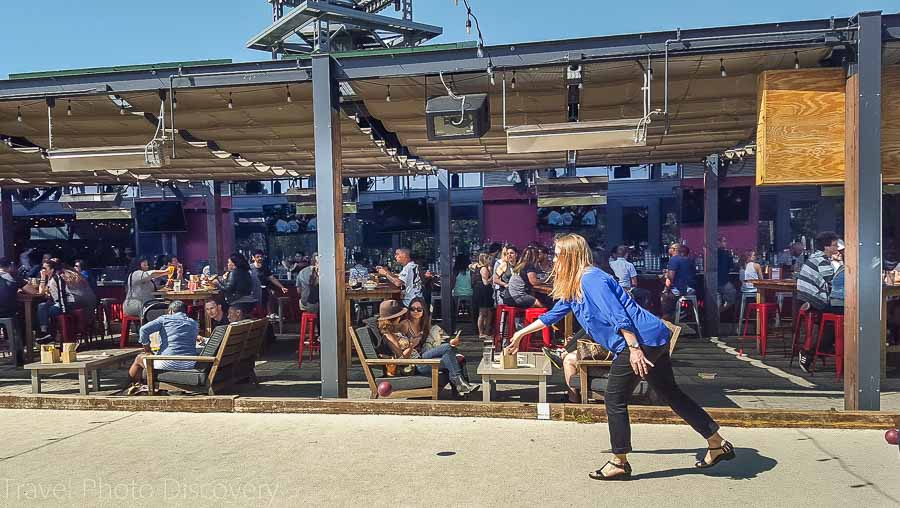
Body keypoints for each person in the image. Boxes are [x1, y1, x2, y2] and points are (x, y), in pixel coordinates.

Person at [507, 234, 733, 479]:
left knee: (614, 398)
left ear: (571, 256)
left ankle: (619, 461)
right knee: (671, 393)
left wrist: (634, 348)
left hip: (639, 339)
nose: (554, 259)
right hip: (652, 337)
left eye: (558, 254)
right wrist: (520, 334)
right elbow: (553, 315)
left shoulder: (591, 279)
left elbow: (616, 314)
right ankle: (716, 443)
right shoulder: (576, 284)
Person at [378, 300, 478, 395]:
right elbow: (402, 359)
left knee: (448, 349)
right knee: (450, 354)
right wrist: (412, 345)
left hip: (419, 357)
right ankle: (460, 384)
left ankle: (460, 385)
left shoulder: (396, 330)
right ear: (396, 317)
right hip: (415, 365)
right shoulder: (389, 336)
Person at [126, 300, 200, 394]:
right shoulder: (194, 323)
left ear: (171, 311)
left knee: (139, 358)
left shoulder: (165, 319)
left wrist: (148, 350)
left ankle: (132, 386)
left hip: (168, 362)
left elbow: (143, 330)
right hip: (189, 363)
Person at [796, 231, 841, 371]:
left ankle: (822, 349)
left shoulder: (816, 257)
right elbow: (834, 281)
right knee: (840, 316)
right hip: (813, 300)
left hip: (805, 298)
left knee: (834, 320)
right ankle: (811, 352)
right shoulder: (822, 260)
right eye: (834, 245)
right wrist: (840, 263)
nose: (837, 248)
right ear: (826, 247)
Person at [250, 250, 288, 317]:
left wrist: (282, 287)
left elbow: (272, 278)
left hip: (264, 291)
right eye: (257, 257)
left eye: (261, 257)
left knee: (267, 308)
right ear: (253, 258)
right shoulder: (250, 268)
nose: (260, 258)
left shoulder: (265, 268)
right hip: (254, 291)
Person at [472, 251, 495, 341]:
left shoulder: (478, 267)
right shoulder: (483, 268)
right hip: (483, 290)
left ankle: (486, 331)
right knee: (482, 312)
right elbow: (486, 282)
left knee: (487, 312)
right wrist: (493, 276)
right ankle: (482, 332)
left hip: (481, 290)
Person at [717, 237, 737, 311]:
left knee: (717, 298)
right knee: (733, 293)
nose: (725, 243)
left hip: (712, 283)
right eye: (724, 241)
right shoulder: (726, 253)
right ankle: (721, 310)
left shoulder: (710, 253)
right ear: (718, 242)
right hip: (723, 282)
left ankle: (717, 312)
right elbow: (731, 266)